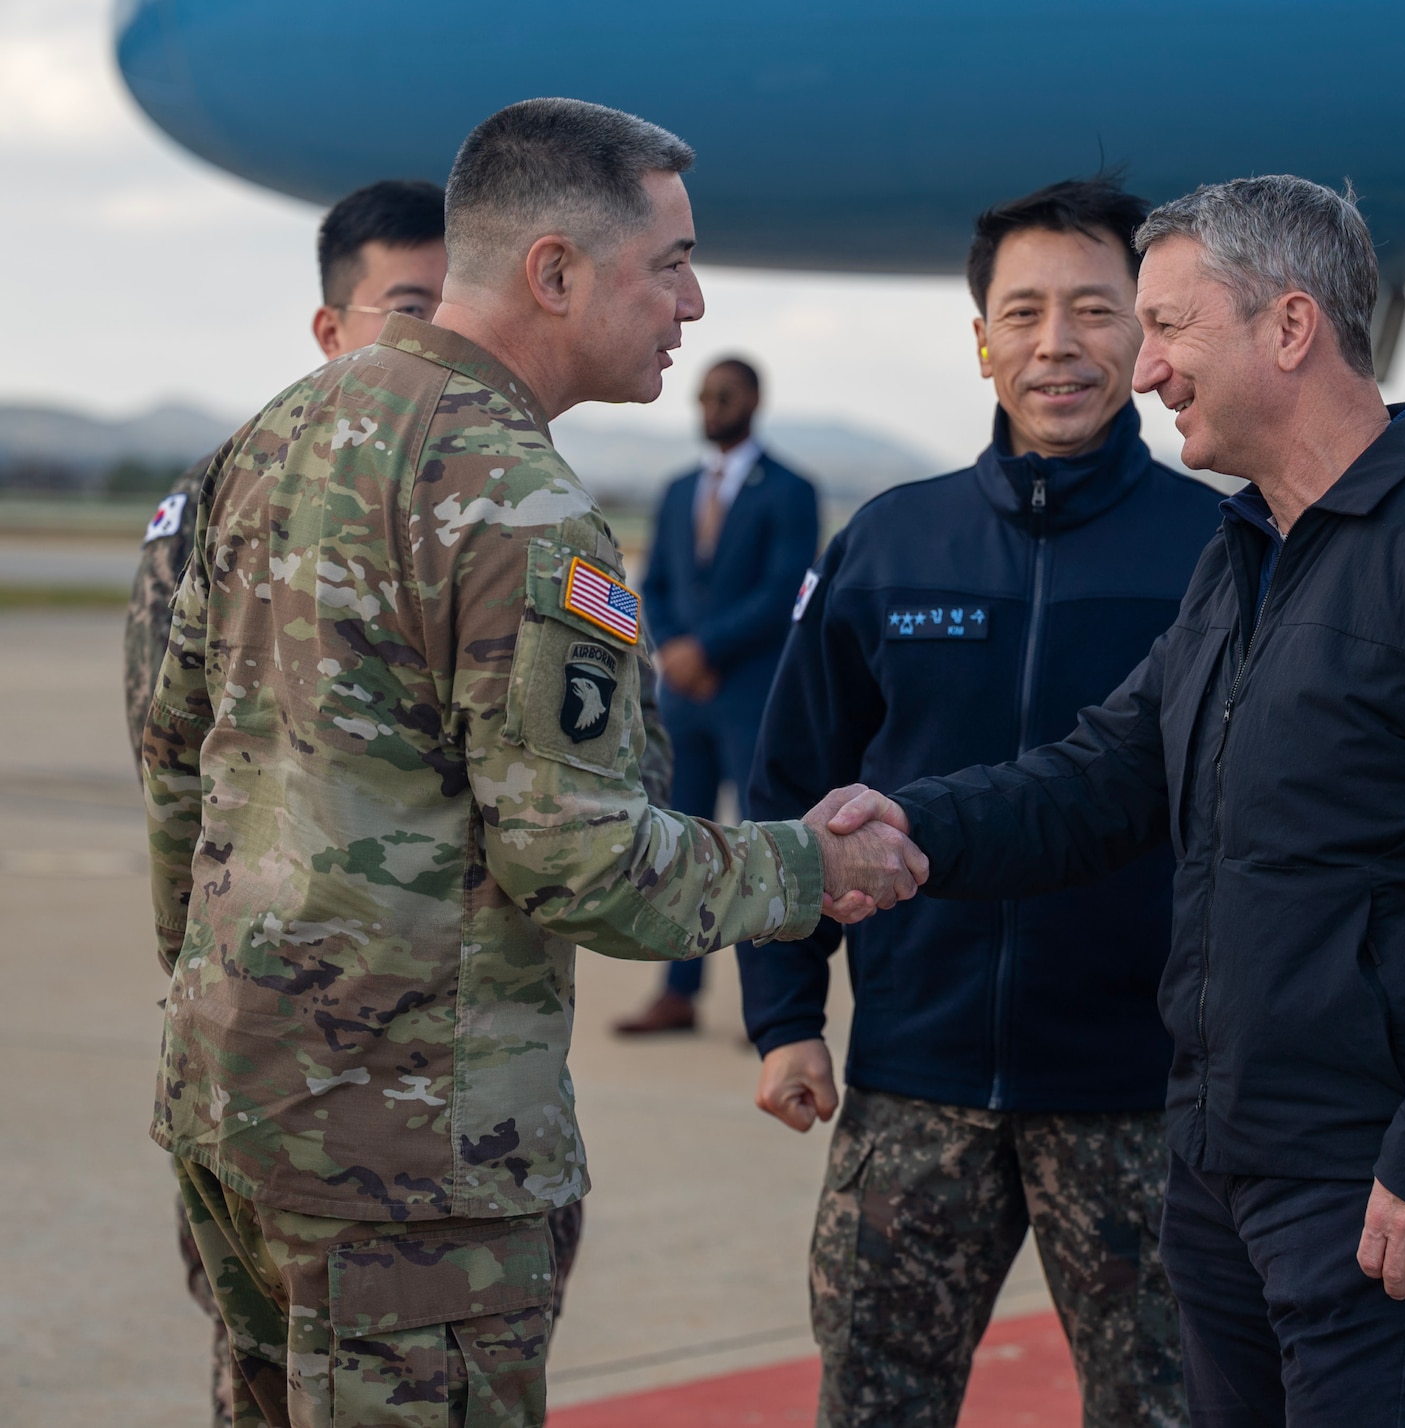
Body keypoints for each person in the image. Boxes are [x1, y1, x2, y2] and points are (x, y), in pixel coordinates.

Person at [137, 98, 924, 1428]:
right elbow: (585, 863)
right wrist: (815, 865)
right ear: (556, 271)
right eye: (669, 263)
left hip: (234, 1103)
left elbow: (177, 760)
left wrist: (211, 991)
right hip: (409, 1163)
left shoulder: (274, 435)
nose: (693, 303)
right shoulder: (516, 502)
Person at [818, 175, 1405, 1426]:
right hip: (1221, 1168)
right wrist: (907, 829)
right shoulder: (1246, 554)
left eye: (1168, 328)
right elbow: (1099, 780)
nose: (1144, 369)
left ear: (1289, 327)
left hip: (1378, 1185)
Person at [743, 175, 1215, 1426]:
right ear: (979, 340)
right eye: (1022, 312)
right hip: (914, 1079)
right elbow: (791, 793)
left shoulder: (1218, 555)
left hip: (1140, 1096)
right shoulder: (886, 547)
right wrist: (785, 1015)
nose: (1056, 344)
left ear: (1146, 332)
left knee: (1170, 1409)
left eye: (1094, 310)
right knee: (874, 1403)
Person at [122, 177, 455, 1428]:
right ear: (330, 330)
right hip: (269, 1063)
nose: (436, 340)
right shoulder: (231, 495)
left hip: (443, 1084)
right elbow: (173, 759)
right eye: (407, 308)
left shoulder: (498, 500)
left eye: (454, 308)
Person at [616, 356, 819, 1034]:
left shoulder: (791, 490)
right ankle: (678, 993)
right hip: (684, 699)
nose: (710, 407)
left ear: (754, 399)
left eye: (723, 396)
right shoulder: (678, 490)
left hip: (751, 695)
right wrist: (674, 648)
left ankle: (774, 1002)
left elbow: (784, 588)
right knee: (680, 842)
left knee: (766, 839)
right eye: (702, 396)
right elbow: (657, 583)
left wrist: (707, 650)